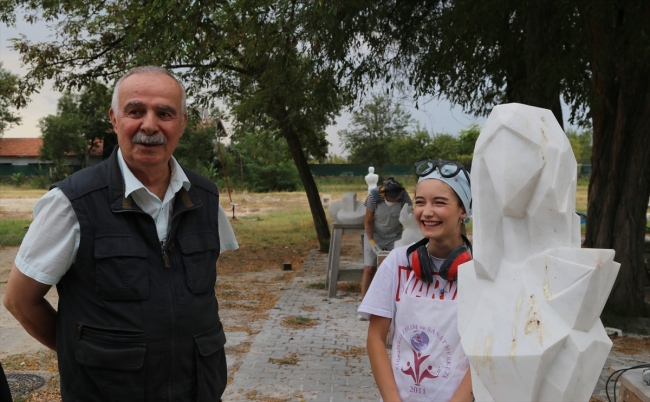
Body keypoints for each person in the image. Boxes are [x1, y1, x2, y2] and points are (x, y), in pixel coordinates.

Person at [2, 66, 236, 402]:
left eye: (165, 113)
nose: (150, 125)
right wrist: (85, 353)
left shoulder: (206, 198)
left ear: (182, 123)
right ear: (114, 119)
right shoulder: (72, 202)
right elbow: (19, 300)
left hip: (197, 391)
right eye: (135, 111)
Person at [358, 159, 474, 402]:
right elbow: (376, 338)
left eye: (439, 203)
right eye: (420, 202)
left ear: (463, 210)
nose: (426, 212)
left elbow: (486, 353)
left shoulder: (481, 272)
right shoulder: (397, 262)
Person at [362, 177, 412, 298]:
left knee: (396, 268)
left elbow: (409, 216)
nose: (394, 200)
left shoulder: (404, 196)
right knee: (370, 268)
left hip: (395, 235)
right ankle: (364, 301)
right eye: (391, 198)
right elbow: (368, 221)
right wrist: (372, 242)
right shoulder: (373, 197)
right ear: (384, 194)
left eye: (396, 198)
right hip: (375, 234)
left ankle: (395, 299)